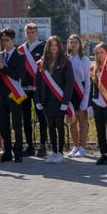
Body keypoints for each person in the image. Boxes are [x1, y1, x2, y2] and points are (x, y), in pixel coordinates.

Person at [35, 35, 74, 163]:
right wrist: (38, 100)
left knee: (59, 125)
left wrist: (65, 102)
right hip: (47, 100)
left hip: (60, 99)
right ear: (48, 47)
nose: (54, 48)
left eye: (56, 45)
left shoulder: (65, 61)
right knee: (50, 125)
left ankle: (61, 153)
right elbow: (38, 83)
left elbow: (69, 83)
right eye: (51, 45)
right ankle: (54, 151)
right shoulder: (42, 62)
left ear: (59, 46)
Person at [0, 27, 28, 162]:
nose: (4, 43)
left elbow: (18, 74)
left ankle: (17, 152)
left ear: (13, 40)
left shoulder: (20, 56)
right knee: (3, 125)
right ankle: (7, 151)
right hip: (1, 95)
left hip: (15, 94)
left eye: (7, 40)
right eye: (2, 40)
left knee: (17, 124)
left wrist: (3, 67)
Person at [89, 43, 107, 165]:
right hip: (97, 102)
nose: (99, 55)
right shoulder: (93, 68)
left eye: (102, 52)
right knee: (100, 129)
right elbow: (91, 87)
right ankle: (103, 153)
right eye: (97, 53)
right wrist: (90, 104)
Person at [20, 22, 45, 157]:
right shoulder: (21, 49)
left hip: (38, 88)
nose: (30, 35)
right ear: (25, 34)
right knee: (26, 117)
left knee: (41, 116)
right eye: (28, 33)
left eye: (32, 32)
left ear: (37, 33)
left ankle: (42, 145)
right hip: (24, 88)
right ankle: (29, 145)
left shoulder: (43, 47)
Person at [66, 35, 91, 158]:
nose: (73, 44)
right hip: (70, 92)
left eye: (76, 42)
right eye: (71, 42)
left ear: (80, 44)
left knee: (82, 121)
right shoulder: (66, 59)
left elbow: (87, 80)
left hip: (81, 91)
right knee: (72, 120)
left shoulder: (85, 59)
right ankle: (75, 145)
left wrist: (86, 99)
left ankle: (82, 147)